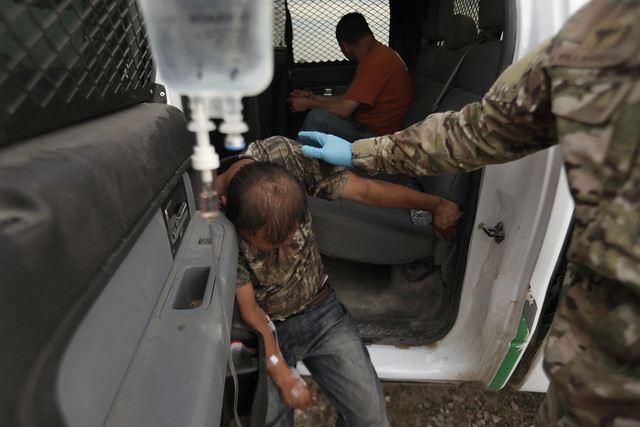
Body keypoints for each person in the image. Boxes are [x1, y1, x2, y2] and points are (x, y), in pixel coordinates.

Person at [299, 0, 640, 425]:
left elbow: (477, 132)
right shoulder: (607, 37)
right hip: (602, 345)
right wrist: (360, 153)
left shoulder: (606, 36)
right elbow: (478, 131)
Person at [216, 136, 461, 426]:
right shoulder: (215, 222)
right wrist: (280, 372)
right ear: (227, 207)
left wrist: (434, 204)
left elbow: (366, 190)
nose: (285, 253)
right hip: (262, 328)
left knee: (371, 420)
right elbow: (250, 311)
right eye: (270, 246)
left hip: (319, 310)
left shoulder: (286, 158)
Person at [287, 12, 413, 142]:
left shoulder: (374, 61)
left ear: (345, 46)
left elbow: (344, 109)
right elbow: (351, 98)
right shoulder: (379, 54)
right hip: (371, 129)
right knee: (322, 114)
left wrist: (308, 104)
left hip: (377, 138)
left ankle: (295, 161)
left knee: (316, 118)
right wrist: (315, 97)